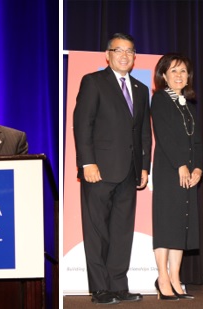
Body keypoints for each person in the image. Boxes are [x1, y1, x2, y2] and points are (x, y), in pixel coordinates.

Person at [73, 33, 152, 305]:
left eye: (130, 51)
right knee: (97, 231)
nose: (124, 55)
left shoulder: (141, 89)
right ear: (107, 55)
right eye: (119, 50)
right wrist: (87, 162)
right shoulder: (94, 82)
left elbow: (143, 131)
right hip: (99, 169)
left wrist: (144, 167)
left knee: (121, 231)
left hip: (130, 172)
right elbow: (83, 124)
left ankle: (119, 285)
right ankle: (99, 288)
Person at [150, 53, 203, 301]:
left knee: (181, 225)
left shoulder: (189, 105)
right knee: (166, 224)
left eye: (183, 71)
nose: (179, 76)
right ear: (163, 75)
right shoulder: (160, 99)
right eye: (174, 71)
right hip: (169, 170)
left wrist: (198, 168)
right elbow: (165, 136)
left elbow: (198, 141)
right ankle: (162, 278)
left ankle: (175, 277)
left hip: (189, 173)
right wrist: (181, 165)